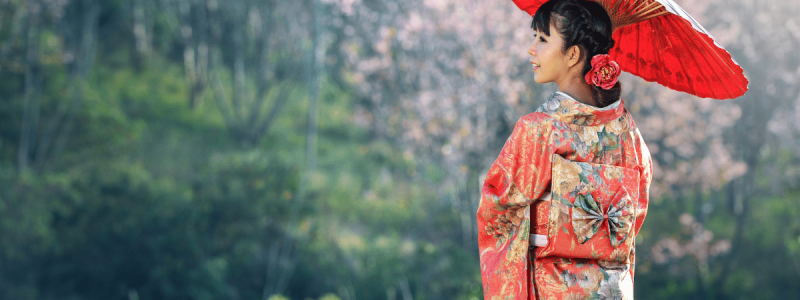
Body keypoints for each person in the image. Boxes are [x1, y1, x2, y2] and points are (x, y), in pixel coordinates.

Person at [476, 0, 653, 299]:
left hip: (552, 289)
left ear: (573, 54)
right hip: (611, 290)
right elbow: (632, 214)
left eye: (542, 39)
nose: (531, 49)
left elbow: (499, 211)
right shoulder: (628, 133)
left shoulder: (540, 129)